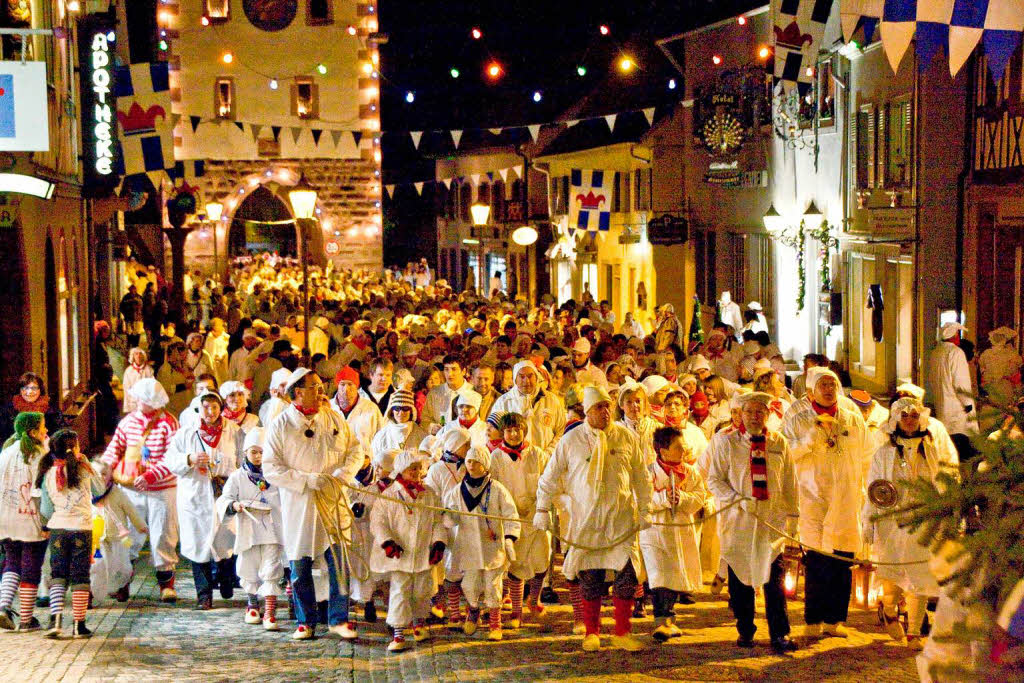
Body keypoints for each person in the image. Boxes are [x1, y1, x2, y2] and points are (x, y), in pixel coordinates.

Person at [535, 386, 652, 652]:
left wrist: (646, 510)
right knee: (590, 576)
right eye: (600, 407)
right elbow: (550, 477)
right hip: (585, 520)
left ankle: (622, 632)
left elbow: (641, 477)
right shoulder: (571, 440)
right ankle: (592, 632)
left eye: (609, 406)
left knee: (627, 576)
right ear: (587, 411)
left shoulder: (626, 436)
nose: (606, 412)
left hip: (621, 519)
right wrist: (542, 509)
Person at [262, 368, 363, 641]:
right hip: (300, 504)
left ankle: (338, 619)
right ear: (298, 392)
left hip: (333, 501)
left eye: (321, 387)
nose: (321, 393)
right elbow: (270, 467)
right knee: (300, 566)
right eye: (314, 388)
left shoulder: (334, 418)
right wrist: (306, 480)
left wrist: (343, 474)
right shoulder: (281, 424)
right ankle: (306, 621)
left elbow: (356, 449)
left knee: (339, 564)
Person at [705, 391, 799, 653]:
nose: (755, 416)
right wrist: (736, 499)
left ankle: (780, 634)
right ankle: (745, 629)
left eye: (760, 412)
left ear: (768, 415)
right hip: (739, 521)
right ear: (741, 415)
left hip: (771, 522)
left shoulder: (779, 442)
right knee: (741, 578)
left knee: (775, 580)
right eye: (750, 412)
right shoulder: (726, 442)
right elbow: (714, 479)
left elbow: (790, 481)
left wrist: (793, 517)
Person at [862, 397, 959, 648]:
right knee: (893, 577)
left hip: (924, 521)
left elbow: (948, 479)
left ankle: (915, 631)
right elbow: (873, 487)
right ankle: (890, 608)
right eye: (904, 416)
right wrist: (868, 521)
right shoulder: (883, 453)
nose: (909, 420)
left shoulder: (932, 448)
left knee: (921, 576)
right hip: (893, 523)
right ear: (895, 419)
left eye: (913, 416)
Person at [781, 367, 870, 638]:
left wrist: (864, 491)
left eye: (833, 384)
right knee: (818, 560)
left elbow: (867, 455)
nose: (829, 389)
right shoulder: (797, 416)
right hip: (812, 496)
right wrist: (811, 438)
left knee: (842, 559)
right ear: (811, 391)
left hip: (845, 497)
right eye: (823, 385)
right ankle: (813, 620)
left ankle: (835, 620)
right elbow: (786, 454)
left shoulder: (852, 417)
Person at [100, 379, 180, 602]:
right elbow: (115, 448)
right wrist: (104, 469)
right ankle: (123, 582)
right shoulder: (128, 422)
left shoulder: (169, 423)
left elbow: (172, 456)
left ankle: (166, 584)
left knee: (163, 535)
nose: (136, 403)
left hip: (161, 489)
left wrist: (152, 475)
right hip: (131, 487)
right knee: (129, 537)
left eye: (141, 400)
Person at [166, 390, 240, 610]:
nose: (210, 412)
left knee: (226, 540)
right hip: (195, 497)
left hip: (223, 493)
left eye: (215, 407)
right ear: (200, 408)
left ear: (221, 408)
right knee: (198, 545)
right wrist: (189, 459)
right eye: (206, 407)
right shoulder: (187, 433)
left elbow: (244, 458)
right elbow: (170, 459)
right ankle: (204, 595)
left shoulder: (234, 431)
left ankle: (227, 579)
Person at [369, 449, 447, 652]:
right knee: (400, 593)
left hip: (423, 553)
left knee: (422, 592)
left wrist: (438, 542)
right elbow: (378, 522)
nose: (416, 472)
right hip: (400, 555)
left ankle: (419, 623)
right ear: (401, 470)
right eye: (411, 468)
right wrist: (387, 542)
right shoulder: (389, 495)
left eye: (419, 468)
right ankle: (398, 632)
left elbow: (437, 521)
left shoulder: (429, 495)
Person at [443, 445, 519, 641]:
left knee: (493, 586)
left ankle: (495, 621)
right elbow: (447, 515)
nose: (472, 466)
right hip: (469, 547)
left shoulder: (497, 489)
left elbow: (511, 514)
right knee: (469, 585)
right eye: (469, 461)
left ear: (485, 465)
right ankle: (474, 610)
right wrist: (450, 518)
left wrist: (510, 538)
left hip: (492, 547)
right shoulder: (458, 490)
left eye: (477, 462)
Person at [642, 426, 708, 642]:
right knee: (659, 573)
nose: (684, 450)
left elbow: (699, 496)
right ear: (663, 450)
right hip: (656, 530)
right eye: (678, 447)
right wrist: (663, 499)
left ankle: (670, 620)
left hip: (681, 528)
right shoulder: (649, 472)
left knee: (675, 574)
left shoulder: (690, 472)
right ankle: (660, 621)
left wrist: (682, 499)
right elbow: (642, 499)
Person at [216, 427, 285, 631]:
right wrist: (233, 505)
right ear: (246, 452)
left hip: (272, 528)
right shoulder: (237, 477)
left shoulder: (276, 475)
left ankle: (270, 610)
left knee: (271, 567)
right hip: (249, 528)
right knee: (248, 566)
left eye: (262, 452)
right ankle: (252, 604)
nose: (258, 456)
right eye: (254, 452)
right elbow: (225, 498)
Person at [489, 412, 550, 628]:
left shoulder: (537, 454)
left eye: (517, 430)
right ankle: (516, 611)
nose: (514, 434)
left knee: (542, 561)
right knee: (516, 566)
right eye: (509, 430)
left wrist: (539, 507)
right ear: (503, 432)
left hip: (536, 515)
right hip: (511, 517)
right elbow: (494, 487)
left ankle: (535, 598)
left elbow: (547, 481)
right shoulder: (496, 457)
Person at [36, 429, 94, 638]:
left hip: (58, 528)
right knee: (80, 576)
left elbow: (45, 509)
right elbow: (98, 489)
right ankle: (79, 624)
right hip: (82, 528)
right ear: (76, 447)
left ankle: (56, 620)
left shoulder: (48, 472)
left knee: (58, 575)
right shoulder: (85, 469)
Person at [0, 412, 49, 631]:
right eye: (43, 427)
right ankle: (27, 619)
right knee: (31, 565)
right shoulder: (40, 455)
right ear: (32, 431)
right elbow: (44, 492)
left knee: (11, 562)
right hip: (31, 518)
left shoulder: (6, 452)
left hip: (6, 518)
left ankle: (3, 607)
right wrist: (47, 521)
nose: (46, 431)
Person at [490, 361, 566, 458]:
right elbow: (494, 433)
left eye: (530, 376)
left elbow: (561, 430)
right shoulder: (504, 402)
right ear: (515, 380)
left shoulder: (551, 400)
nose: (526, 381)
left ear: (537, 377)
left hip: (548, 460)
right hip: (514, 460)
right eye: (521, 377)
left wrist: (550, 452)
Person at [927, 322, 978, 459]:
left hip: (942, 404)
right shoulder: (956, 352)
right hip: (957, 407)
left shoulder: (936, 352)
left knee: (947, 442)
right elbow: (960, 382)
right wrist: (967, 403)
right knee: (961, 444)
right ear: (955, 336)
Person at [332, 366, 384, 460]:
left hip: (363, 465)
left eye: (350, 384)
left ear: (357, 386)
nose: (346, 389)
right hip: (334, 466)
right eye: (342, 384)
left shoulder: (371, 409)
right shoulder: (328, 408)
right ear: (337, 386)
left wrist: (371, 458)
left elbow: (381, 438)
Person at [0, 372, 67, 442]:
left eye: (34, 388)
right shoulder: (8, 410)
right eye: (25, 388)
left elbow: (61, 434)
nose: (29, 392)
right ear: (20, 390)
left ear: (40, 390)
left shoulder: (51, 411)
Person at [420, 355, 479, 433]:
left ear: (464, 371)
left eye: (454, 369)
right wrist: (432, 427)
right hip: (441, 440)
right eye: (446, 369)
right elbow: (425, 419)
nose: (450, 374)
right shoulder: (434, 393)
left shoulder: (474, 393)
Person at [372, 389, 428, 461]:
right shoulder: (381, 436)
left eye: (405, 408)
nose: (401, 413)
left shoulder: (421, 435)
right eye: (397, 408)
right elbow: (376, 461)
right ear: (392, 411)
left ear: (411, 411)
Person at [978, 326, 1022, 406]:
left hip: (991, 387)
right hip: (1005, 387)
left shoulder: (986, 353)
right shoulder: (1011, 354)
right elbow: (1014, 373)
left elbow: (982, 370)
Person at [122, 348, 155, 414]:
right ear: (133, 357)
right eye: (136, 354)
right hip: (133, 403)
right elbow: (127, 389)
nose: (138, 356)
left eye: (140, 354)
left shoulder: (149, 370)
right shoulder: (128, 371)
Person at [119, 284, 145, 349]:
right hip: (129, 317)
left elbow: (143, 307)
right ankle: (130, 343)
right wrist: (125, 314)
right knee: (129, 331)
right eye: (131, 289)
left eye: (134, 289)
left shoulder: (139, 297)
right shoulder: (126, 297)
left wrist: (141, 315)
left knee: (137, 331)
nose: (132, 291)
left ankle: (135, 344)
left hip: (137, 318)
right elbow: (121, 307)